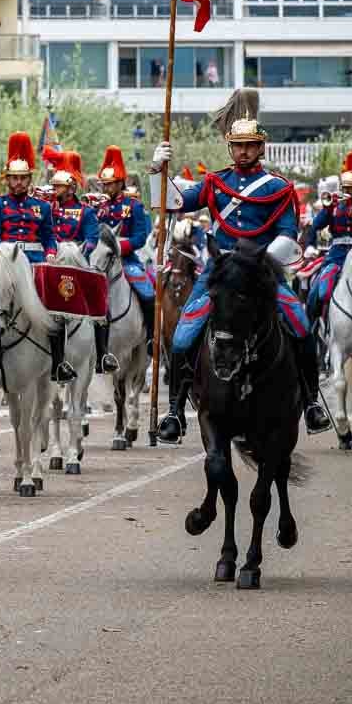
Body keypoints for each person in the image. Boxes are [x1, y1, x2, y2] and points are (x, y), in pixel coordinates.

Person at [150, 89, 330, 442]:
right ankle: (174, 411)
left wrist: (258, 262)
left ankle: (310, 402)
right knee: (184, 334)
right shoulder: (216, 183)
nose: (243, 151)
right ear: (230, 147)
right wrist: (157, 169)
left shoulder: (278, 187)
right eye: (237, 145)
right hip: (220, 272)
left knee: (301, 325)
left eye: (249, 145)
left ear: (261, 148)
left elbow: (288, 235)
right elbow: (172, 203)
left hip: (261, 271)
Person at [0, 132, 75, 383]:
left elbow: (49, 237)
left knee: (57, 308)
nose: (18, 182)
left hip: (35, 264)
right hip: (2, 261)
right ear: (7, 180)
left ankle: (58, 363)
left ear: (29, 179)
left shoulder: (41, 207)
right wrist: (3, 253)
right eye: (14, 178)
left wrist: (52, 253)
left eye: (22, 178)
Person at [50, 151, 114, 372]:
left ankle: (102, 355)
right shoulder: (48, 209)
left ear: (71, 188)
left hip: (77, 263)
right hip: (52, 263)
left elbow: (92, 239)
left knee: (101, 302)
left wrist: (77, 252)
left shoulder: (85, 212)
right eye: (54, 186)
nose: (55, 190)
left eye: (59, 187)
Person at [94, 145, 155, 370]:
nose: (107, 187)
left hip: (126, 260)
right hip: (101, 261)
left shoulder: (134, 206)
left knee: (148, 292)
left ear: (121, 183)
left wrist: (120, 246)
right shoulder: (99, 208)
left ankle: (151, 337)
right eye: (104, 184)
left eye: (110, 183)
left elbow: (140, 236)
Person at [304, 151, 352, 323]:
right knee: (318, 292)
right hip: (336, 258)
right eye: (345, 188)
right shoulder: (335, 206)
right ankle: (311, 331)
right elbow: (316, 225)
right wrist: (328, 208)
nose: (348, 191)